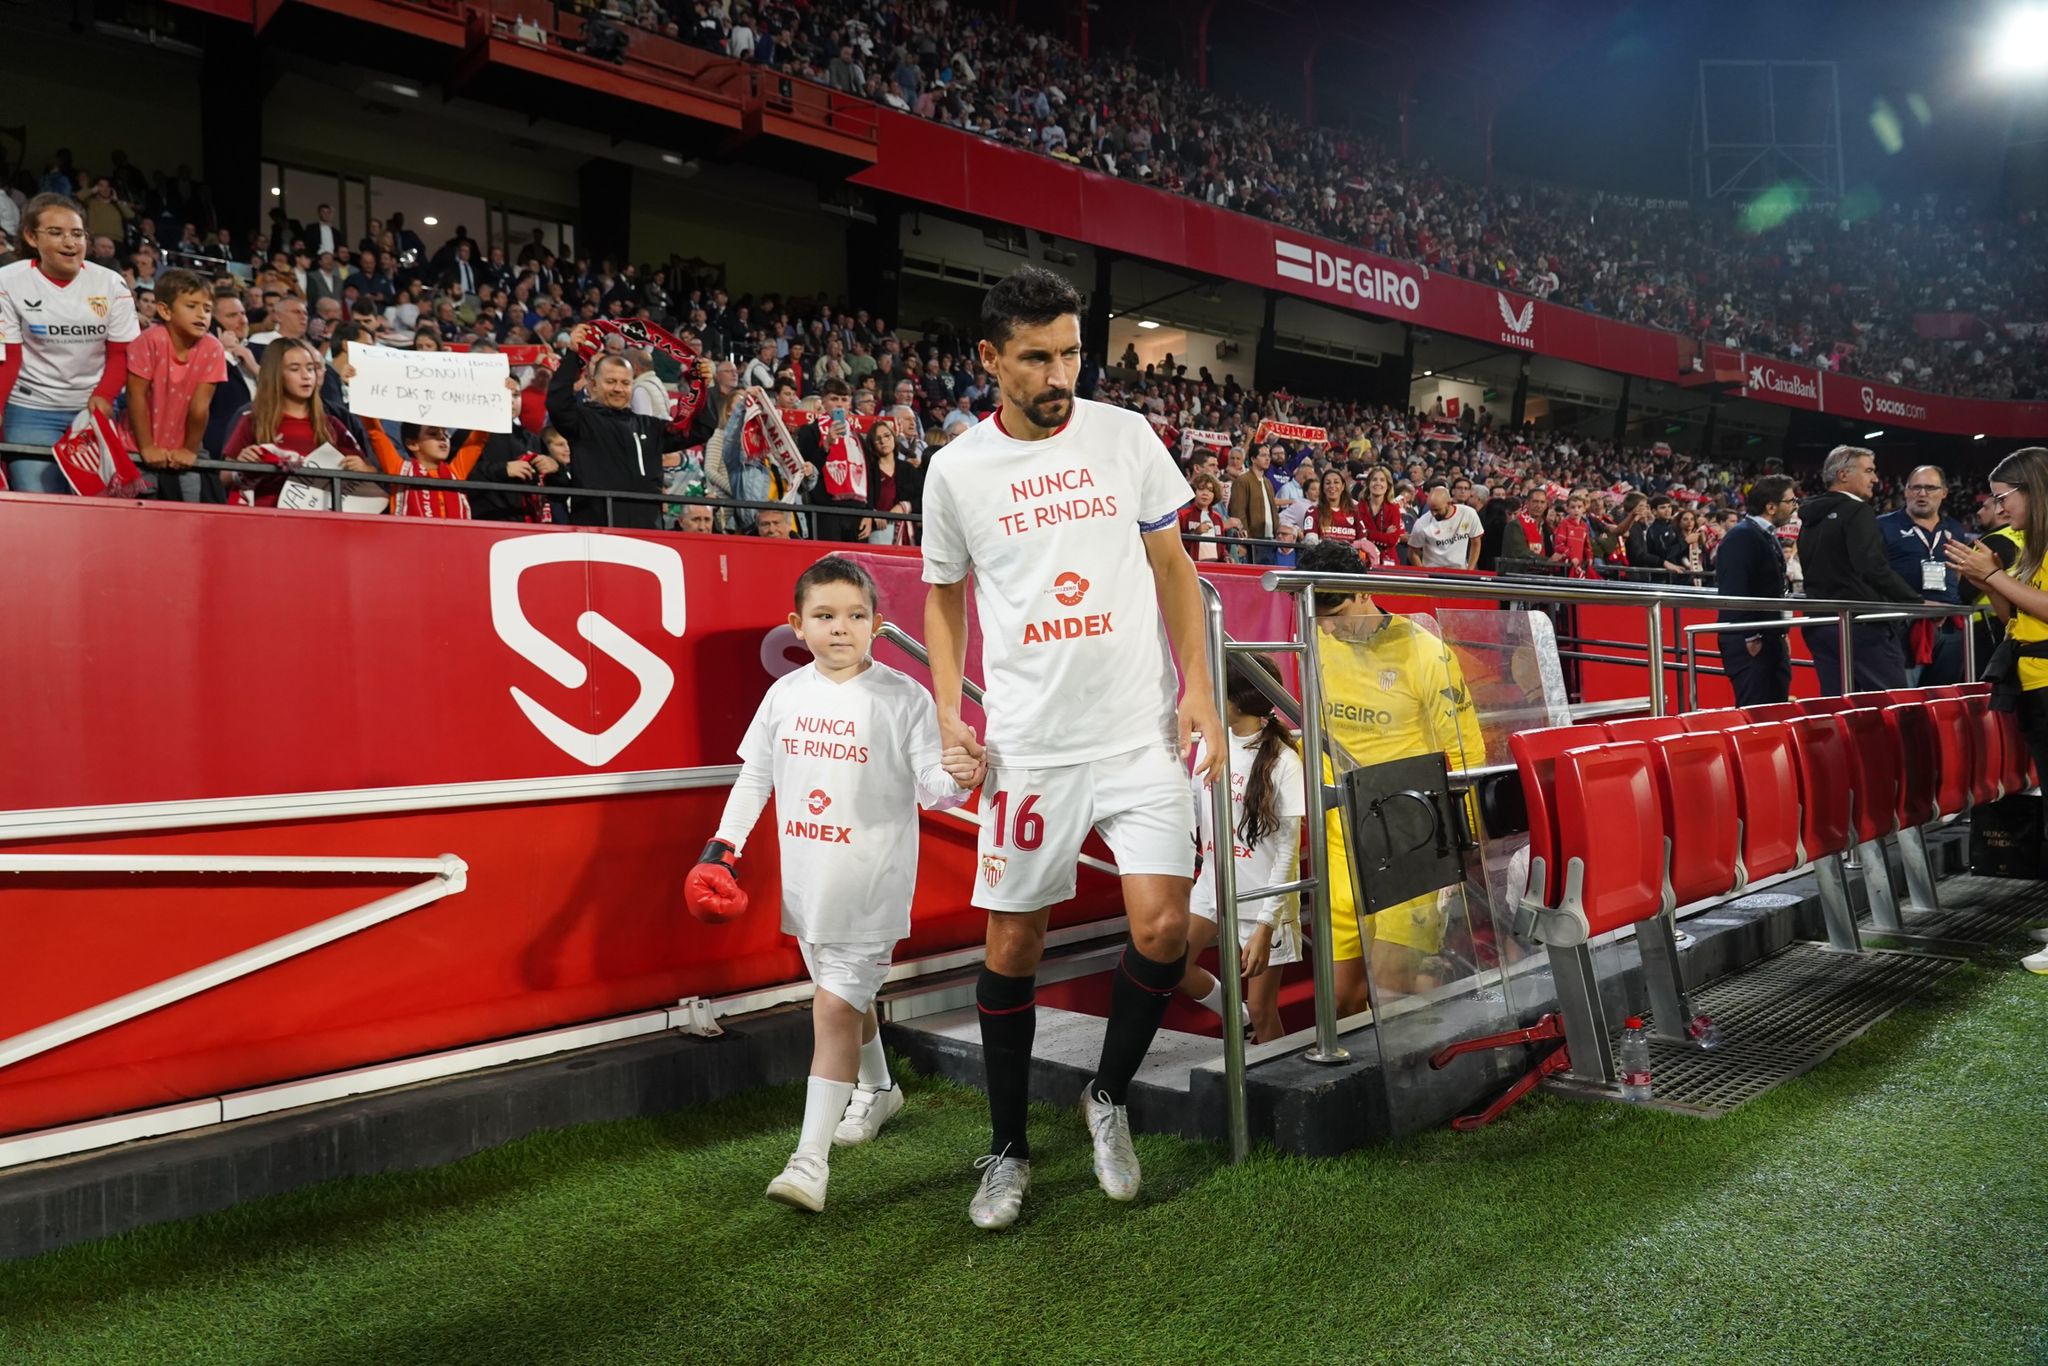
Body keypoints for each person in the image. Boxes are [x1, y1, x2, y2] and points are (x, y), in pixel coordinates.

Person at [920, 266, 1223, 1230]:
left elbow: (1173, 567)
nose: (1060, 373)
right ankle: (1007, 1149)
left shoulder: (1126, 436)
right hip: (1031, 748)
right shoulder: (957, 469)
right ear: (989, 360)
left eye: (1071, 353)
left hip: (1137, 733)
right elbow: (941, 593)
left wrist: (1199, 689)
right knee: (1012, 943)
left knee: (1164, 933)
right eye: (1038, 357)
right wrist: (947, 712)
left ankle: (1107, 1095)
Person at [685, 557, 973, 1210]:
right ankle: (880, 1091)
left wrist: (961, 775)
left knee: (833, 1010)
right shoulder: (784, 695)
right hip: (807, 888)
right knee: (842, 998)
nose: (840, 628)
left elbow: (935, 789)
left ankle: (808, 1161)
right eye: (824, 616)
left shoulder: (906, 697)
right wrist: (721, 851)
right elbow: (755, 777)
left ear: (877, 623)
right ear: (798, 625)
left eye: (854, 615)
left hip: (871, 889)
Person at [1297, 539, 1485, 1011]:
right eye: (1319, 615)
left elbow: (1467, 757)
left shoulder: (1427, 654)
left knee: (1392, 982)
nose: (1330, 627)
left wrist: (1459, 848)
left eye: (1336, 611)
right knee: (1341, 997)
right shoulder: (1316, 639)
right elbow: (1312, 729)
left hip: (1411, 837)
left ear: (1364, 592)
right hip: (1340, 836)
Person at [1943, 447, 2048, 975]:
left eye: (2004, 497)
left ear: (2033, 490)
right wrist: (1988, 580)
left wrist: (1996, 576)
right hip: (2032, 681)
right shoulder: (2031, 544)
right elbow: (2016, 614)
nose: (1999, 508)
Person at [1179, 654, 1304, 1044]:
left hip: (1261, 901)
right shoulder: (1209, 744)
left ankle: (1275, 1098)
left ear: (1239, 698)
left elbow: (1288, 852)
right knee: (1169, 966)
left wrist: (1267, 924)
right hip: (1212, 886)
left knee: (1267, 1015)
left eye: (1218, 689)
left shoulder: (1284, 760)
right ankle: (1239, 1016)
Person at [0, 193, 140, 492]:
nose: (70, 242)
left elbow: (121, 353)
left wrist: (104, 397)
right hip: (29, 410)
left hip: (91, 410)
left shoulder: (111, 283)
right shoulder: (8, 281)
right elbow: (10, 357)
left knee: (93, 507)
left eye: (77, 234)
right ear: (30, 236)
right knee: (37, 503)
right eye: (56, 233)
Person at [1798, 445, 1921, 695]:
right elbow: (1872, 566)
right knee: (1895, 704)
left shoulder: (1811, 515)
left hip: (1820, 623)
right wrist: (1914, 600)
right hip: (1860, 625)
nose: (1875, 478)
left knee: (1838, 706)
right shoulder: (1857, 511)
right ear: (1844, 475)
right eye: (1869, 471)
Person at [548, 324, 691, 530]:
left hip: (646, 533)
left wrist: (702, 383)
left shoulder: (649, 426)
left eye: (625, 383)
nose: (618, 388)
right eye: (611, 381)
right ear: (593, 385)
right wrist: (573, 355)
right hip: (595, 533)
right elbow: (557, 403)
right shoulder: (582, 419)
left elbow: (697, 430)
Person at [220, 338, 372, 506]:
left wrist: (362, 469)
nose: (306, 376)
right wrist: (242, 466)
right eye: (295, 369)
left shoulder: (332, 424)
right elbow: (224, 475)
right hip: (267, 521)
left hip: (321, 522)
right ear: (276, 374)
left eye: (310, 369)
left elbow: (370, 473)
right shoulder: (253, 420)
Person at [124, 268, 226, 503]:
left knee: (190, 506)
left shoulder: (213, 348)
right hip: (136, 444)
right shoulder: (150, 340)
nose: (202, 315)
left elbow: (200, 407)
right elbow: (135, 396)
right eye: (191, 306)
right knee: (140, 511)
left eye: (207, 309)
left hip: (186, 444)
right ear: (165, 310)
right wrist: (147, 446)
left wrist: (189, 450)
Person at [1877, 465, 1971, 686]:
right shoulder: (1883, 525)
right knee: (1905, 697)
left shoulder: (1954, 529)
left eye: (1930, 488)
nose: (1922, 494)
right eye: (1916, 488)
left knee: (1943, 695)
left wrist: (1948, 601)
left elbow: (1958, 569)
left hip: (1947, 623)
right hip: (1902, 622)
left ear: (1944, 493)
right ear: (1906, 492)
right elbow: (1876, 572)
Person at [1714, 475, 1799, 706]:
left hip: (1769, 636)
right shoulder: (1742, 536)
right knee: (1756, 712)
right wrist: (1750, 636)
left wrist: (1781, 632)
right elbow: (1736, 589)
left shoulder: (1762, 533)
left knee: (1774, 707)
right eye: (1790, 501)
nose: (1794, 507)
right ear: (1771, 506)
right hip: (1750, 641)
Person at [799, 378, 875, 543]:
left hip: (857, 512)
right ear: (823, 402)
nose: (839, 404)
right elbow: (807, 473)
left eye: (844, 399)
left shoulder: (858, 438)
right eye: (834, 399)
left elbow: (870, 476)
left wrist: (869, 514)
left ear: (849, 404)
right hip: (825, 511)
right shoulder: (810, 431)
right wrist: (826, 445)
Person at [1407, 479, 1483, 569]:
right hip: (1433, 572)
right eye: (1431, 509)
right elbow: (1412, 553)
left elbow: (1476, 542)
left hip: (1460, 571)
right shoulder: (1422, 523)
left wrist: (1470, 570)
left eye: (1437, 510)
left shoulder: (1468, 513)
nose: (1433, 514)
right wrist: (1424, 572)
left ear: (1449, 503)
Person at [1225, 442, 1279, 564]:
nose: (1267, 459)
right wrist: (1244, 540)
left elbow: (1273, 511)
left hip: (1270, 539)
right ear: (1253, 459)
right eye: (1263, 455)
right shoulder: (1243, 480)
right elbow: (1237, 511)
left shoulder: (1268, 482)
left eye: (1268, 456)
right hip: (1253, 540)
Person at [1305, 467, 1371, 557]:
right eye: (1328, 483)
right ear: (1323, 488)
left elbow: (1363, 542)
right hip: (1323, 562)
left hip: (1349, 563)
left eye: (1336, 482)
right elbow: (1311, 542)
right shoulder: (1313, 511)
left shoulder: (1355, 511)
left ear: (1343, 486)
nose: (1332, 486)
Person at [1354, 465, 1404, 565]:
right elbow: (1356, 535)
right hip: (1363, 559)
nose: (1378, 483)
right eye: (1374, 480)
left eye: (1382, 480)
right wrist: (1384, 534)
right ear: (1368, 484)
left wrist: (1368, 533)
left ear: (1388, 485)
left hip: (1388, 560)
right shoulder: (1359, 508)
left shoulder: (1393, 509)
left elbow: (1392, 540)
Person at [1180, 473, 1228, 562]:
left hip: (1215, 567)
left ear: (1214, 494)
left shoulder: (1218, 518)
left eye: (1210, 490)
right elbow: (1177, 545)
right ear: (1194, 491)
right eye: (1201, 489)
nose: (1205, 493)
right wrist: (1195, 533)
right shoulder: (1183, 515)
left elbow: (1222, 547)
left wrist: (1226, 557)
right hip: (1192, 567)